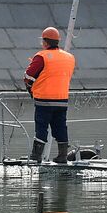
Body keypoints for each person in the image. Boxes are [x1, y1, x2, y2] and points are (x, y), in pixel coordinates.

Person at [24, 26, 76, 164]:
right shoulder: (70, 57)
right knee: (60, 126)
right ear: (58, 41)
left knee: (41, 127)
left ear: (45, 42)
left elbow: (28, 76)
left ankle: (36, 156)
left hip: (44, 100)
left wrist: (30, 88)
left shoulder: (41, 56)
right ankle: (62, 156)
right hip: (62, 99)